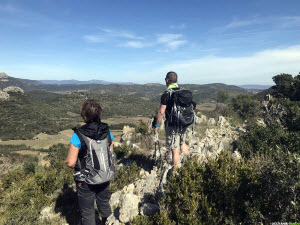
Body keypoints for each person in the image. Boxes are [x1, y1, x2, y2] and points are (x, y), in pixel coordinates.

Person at [66, 99, 113, 225]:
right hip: (104, 175)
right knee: (103, 202)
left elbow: (71, 162)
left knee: (87, 212)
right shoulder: (106, 130)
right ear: (99, 114)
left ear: (84, 115)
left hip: (85, 180)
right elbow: (110, 152)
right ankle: (109, 222)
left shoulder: (78, 135)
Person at [154, 71, 189, 166]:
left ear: (167, 80)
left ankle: (177, 175)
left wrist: (157, 126)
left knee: (175, 150)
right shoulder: (182, 91)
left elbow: (161, 112)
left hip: (172, 124)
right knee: (182, 143)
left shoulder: (166, 94)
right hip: (183, 123)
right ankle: (189, 167)